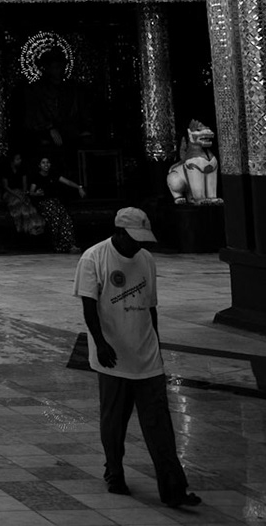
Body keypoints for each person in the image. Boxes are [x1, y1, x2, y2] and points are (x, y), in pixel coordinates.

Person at [75, 207, 201, 509]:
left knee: (159, 424)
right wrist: (101, 344)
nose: (139, 245)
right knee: (114, 421)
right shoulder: (94, 258)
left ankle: (174, 488)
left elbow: (151, 307)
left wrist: (155, 343)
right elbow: (90, 307)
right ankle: (114, 471)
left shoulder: (146, 260)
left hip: (146, 356)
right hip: (113, 356)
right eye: (134, 239)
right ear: (119, 232)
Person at [29, 154, 85, 252]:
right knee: (56, 218)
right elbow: (31, 192)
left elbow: (67, 182)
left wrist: (79, 187)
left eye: (47, 162)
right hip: (44, 203)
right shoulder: (36, 177)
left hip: (55, 203)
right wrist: (36, 193)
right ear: (39, 165)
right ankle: (59, 246)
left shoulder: (53, 175)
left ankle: (70, 245)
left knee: (66, 218)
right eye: (43, 163)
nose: (46, 164)